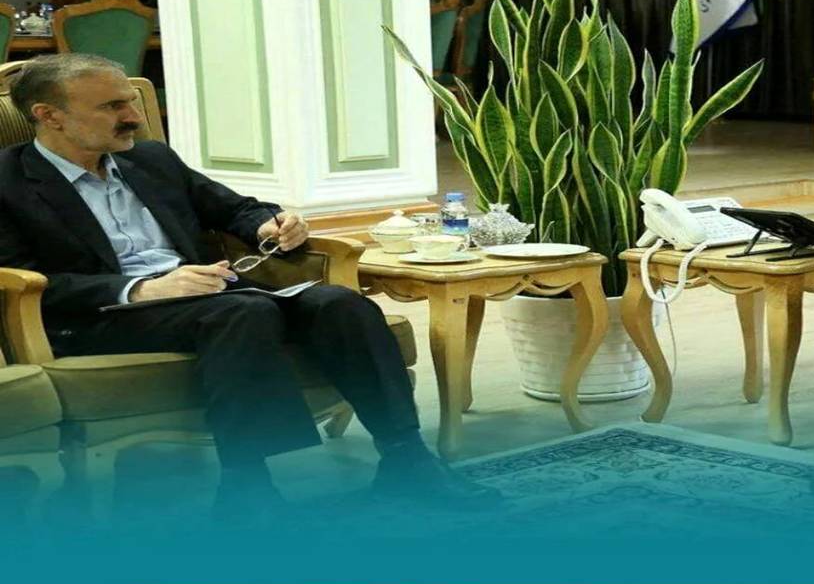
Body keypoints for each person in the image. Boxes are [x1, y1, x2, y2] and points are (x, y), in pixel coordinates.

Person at [0, 53, 498, 518]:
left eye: (130, 101)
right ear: (49, 115)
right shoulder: (8, 182)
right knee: (243, 311)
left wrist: (269, 224)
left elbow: (235, 208)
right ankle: (247, 486)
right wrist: (143, 290)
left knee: (340, 304)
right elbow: (21, 279)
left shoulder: (151, 159)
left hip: (204, 298)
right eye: (112, 106)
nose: (133, 116)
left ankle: (407, 460)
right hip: (101, 317)